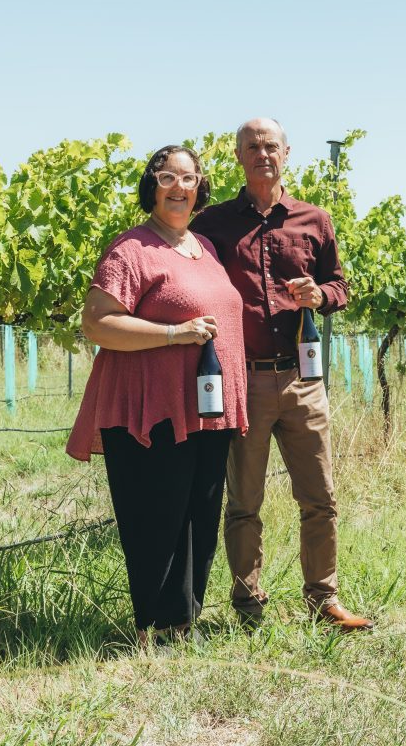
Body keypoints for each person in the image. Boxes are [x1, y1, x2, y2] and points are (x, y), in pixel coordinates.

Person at [189, 118, 373, 631]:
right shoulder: (212, 226)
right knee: (244, 502)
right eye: (252, 146)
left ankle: (324, 598)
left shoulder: (315, 219)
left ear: (286, 153)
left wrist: (322, 295)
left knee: (320, 497)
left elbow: (339, 286)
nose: (262, 153)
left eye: (271, 145)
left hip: (302, 379)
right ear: (238, 156)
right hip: (241, 380)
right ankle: (248, 605)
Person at [66, 145, 248, 647]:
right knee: (157, 516)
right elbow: (97, 322)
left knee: (199, 516)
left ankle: (183, 623)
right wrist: (174, 335)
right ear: (152, 185)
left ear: (199, 189)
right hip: (150, 408)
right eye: (168, 177)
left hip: (206, 409)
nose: (179, 187)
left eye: (189, 179)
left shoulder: (204, 249)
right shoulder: (132, 249)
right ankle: (154, 628)